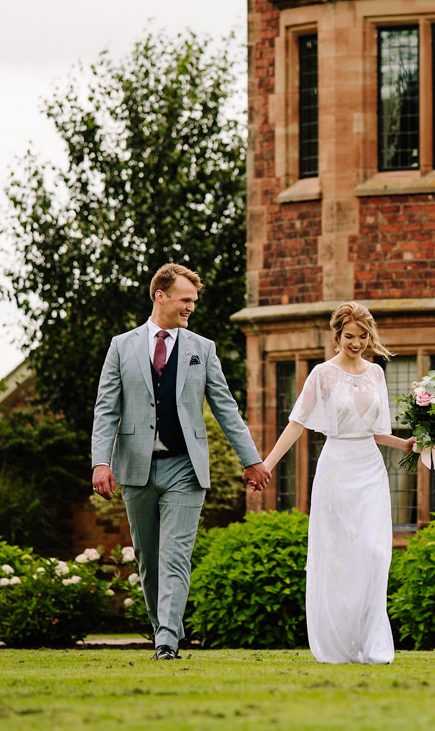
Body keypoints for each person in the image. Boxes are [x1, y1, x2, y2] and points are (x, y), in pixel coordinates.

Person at [91, 263, 271, 660]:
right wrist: (100, 463)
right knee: (149, 561)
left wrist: (252, 460)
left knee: (175, 556)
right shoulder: (121, 346)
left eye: (193, 300)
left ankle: (167, 642)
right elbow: (106, 409)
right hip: (136, 467)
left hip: (185, 468)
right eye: (185, 299)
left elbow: (226, 409)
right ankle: (165, 632)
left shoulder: (202, 349)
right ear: (161, 295)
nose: (191, 306)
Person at [259, 302, 415, 664]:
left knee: (375, 553)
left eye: (363, 337)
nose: (356, 343)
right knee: (340, 557)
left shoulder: (376, 374)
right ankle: (340, 644)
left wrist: (407, 444)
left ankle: (371, 643)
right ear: (337, 336)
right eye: (349, 336)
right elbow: (297, 423)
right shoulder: (322, 375)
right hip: (336, 469)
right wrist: (266, 465)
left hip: (371, 469)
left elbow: (379, 432)